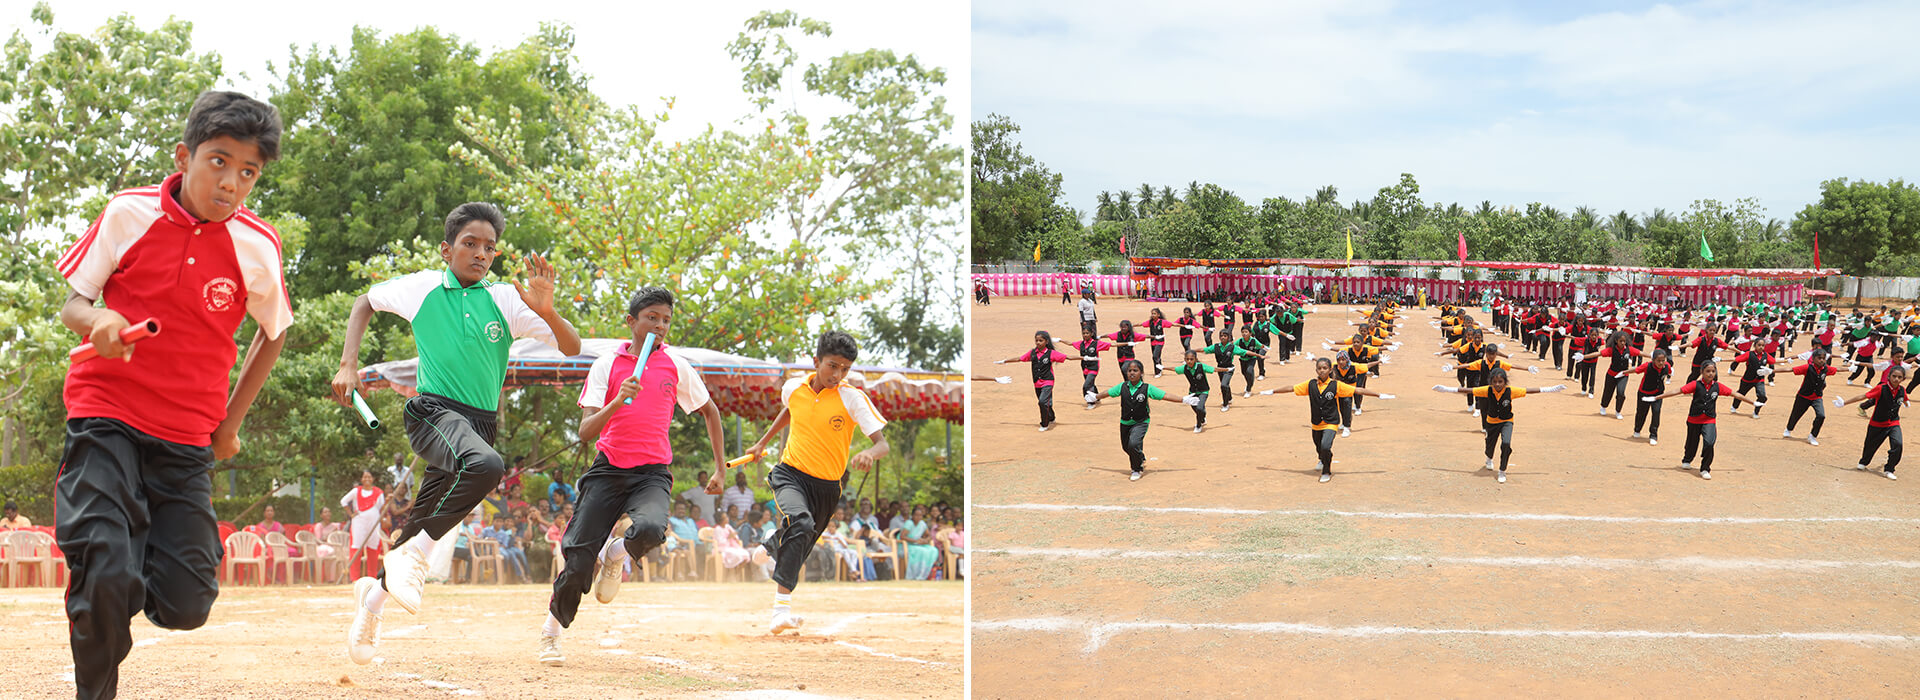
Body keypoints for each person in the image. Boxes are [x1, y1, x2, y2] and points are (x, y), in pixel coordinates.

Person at [52, 91, 291, 700]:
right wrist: (98, 321)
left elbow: (274, 334)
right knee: (106, 564)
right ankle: (99, 648)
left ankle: (119, 576)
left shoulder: (257, 246)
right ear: (184, 156)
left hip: (187, 437)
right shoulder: (128, 214)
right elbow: (73, 301)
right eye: (218, 161)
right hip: (105, 414)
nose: (231, 182)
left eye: (248, 171)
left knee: (187, 604)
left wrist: (231, 423)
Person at [334, 201, 582, 665]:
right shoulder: (423, 287)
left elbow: (572, 347)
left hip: (479, 423)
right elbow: (364, 301)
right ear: (447, 249)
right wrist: (349, 363)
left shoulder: (507, 299)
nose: (480, 253)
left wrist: (547, 312)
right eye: (470, 244)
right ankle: (418, 562)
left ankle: (370, 605)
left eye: (489, 247)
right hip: (434, 412)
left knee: (412, 537)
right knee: (488, 466)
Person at [539, 287, 729, 665]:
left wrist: (721, 468)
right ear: (632, 322)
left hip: (651, 473)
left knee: (652, 529)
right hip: (608, 469)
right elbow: (585, 431)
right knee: (576, 559)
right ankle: (550, 633)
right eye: (652, 318)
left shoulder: (676, 365)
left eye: (666, 320)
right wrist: (616, 400)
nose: (660, 326)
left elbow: (710, 412)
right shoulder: (607, 365)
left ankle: (616, 553)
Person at [741, 331, 890, 635]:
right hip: (790, 472)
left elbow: (882, 444)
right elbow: (790, 411)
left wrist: (869, 454)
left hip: (827, 487)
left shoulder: (852, 397)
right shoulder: (794, 387)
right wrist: (760, 444)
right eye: (832, 366)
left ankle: (772, 541)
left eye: (845, 369)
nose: (838, 374)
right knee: (801, 522)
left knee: (803, 540)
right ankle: (780, 611)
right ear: (816, 362)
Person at [1258, 356, 1392, 483]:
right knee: (1319, 448)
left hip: (1331, 422)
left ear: (1330, 370)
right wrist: (1273, 391)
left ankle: (1326, 472)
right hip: (1316, 423)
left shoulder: (1336, 385)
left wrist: (1379, 395)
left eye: (1325, 368)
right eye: (1319, 368)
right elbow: (1291, 388)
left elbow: (1358, 390)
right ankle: (1323, 458)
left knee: (1325, 446)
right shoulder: (1310, 385)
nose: (1322, 370)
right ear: (1316, 370)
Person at [1433, 371, 1567, 483]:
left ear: (1505, 382)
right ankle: (1489, 458)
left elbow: (1530, 390)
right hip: (1491, 422)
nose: (1497, 384)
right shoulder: (1487, 390)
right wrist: (1446, 389)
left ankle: (1502, 470)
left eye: (1500, 382)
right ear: (1491, 382)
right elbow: (1468, 390)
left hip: (1507, 421)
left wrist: (1550, 389)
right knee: (1490, 446)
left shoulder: (1511, 391)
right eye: (1495, 382)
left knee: (1506, 443)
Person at [1090, 359, 1197, 481]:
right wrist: (1095, 397)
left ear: (1141, 373)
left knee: (1134, 443)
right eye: (1129, 371)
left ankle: (1137, 469)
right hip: (1125, 422)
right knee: (1126, 447)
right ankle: (1140, 456)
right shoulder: (1122, 386)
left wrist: (1183, 399)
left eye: (1135, 370)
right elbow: (1107, 393)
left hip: (1141, 422)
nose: (1132, 373)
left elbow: (1165, 395)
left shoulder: (1147, 388)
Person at [1643, 362, 1733, 479]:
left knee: (1709, 442)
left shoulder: (1718, 386)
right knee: (1692, 442)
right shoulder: (1695, 385)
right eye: (1708, 371)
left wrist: (1753, 403)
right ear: (1702, 372)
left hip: (1709, 420)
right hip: (1694, 419)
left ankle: (1705, 468)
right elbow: (1677, 391)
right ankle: (1687, 459)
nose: (1711, 374)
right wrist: (1656, 397)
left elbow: (1735, 394)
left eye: (1713, 371)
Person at [996, 331, 1082, 432]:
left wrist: (1084, 358)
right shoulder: (1032, 353)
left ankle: (1044, 424)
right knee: (1046, 403)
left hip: (1048, 381)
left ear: (1046, 341)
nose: (1038, 342)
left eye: (1040, 340)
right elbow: (1020, 358)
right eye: (1036, 340)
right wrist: (1005, 361)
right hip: (1037, 382)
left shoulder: (1051, 353)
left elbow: (1067, 357)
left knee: (1042, 402)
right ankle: (1051, 417)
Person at [1837, 364, 1907, 480]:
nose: (1896, 379)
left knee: (1898, 444)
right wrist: (1844, 403)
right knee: (1870, 446)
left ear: (1903, 379)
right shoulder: (1881, 388)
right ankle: (1864, 461)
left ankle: (1889, 469)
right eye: (1894, 376)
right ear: (1889, 376)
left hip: (1893, 423)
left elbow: (1904, 397)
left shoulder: (1902, 390)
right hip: (1877, 423)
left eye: (1899, 377)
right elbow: (1863, 396)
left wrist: (1906, 402)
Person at [1784, 349, 1842, 446]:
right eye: (1819, 358)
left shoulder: (1826, 369)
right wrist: (1771, 371)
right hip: (1803, 396)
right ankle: (1789, 429)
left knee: (1821, 416)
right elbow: (1790, 369)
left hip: (1817, 398)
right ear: (1813, 359)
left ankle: (1813, 436)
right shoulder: (1807, 367)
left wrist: (1850, 368)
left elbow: (1838, 369)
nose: (1822, 360)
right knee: (1796, 414)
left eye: (1823, 358)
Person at [340, 470, 386, 581]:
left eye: (369, 477)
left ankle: (372, 577)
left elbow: (381, 507)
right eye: (364, 477)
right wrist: (351, 514)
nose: (367, 479)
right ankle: (354, 578)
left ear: (373, 479)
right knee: (356, 548)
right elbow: (343, 501)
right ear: (361, 479)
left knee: (373, 549)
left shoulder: (379, 492)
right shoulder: (356, 491)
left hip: (373, 524)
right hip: (359, 523)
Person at [1629, 349, 1677, 445]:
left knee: (1656, 412)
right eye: (1658, 360)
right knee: (1641, 412)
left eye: (1663, 360)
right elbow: (1636, 370)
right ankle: (1637, 429)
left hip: (1658, 394)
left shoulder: (1666, 366)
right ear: (1653, 360)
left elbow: (1670, 371)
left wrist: (1672, 371)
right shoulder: (1647, 366)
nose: (1661, 363)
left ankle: (1653, 435)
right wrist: (1624, 372)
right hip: (1644, 393)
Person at [1169, 350, 1218, 433]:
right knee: (1195, 408)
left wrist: (1227, 369)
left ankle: (1198, 425)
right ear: (1184, 360)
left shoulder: (1201, 366)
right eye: (1187, 359)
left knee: (1199, 407)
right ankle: (1202, 418)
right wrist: (1163, 368)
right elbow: (1174, 369)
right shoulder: (1184, 368)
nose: (1189, 361)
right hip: (1193, 392)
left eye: (1191, 359)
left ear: (1195, 359)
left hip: (1203, 391)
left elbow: (1214, 369)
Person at [900, 505, 939, 579]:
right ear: (912, 515)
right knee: (922, 551)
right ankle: (916, 574)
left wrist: (926, 540)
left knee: (933, 550)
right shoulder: (909, 523)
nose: (918, 517)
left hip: (918, 544)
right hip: (907, 545)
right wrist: (915, 541)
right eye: (916, 515)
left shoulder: (922, 524)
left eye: (920, 515)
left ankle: (927, 573)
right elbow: (902, 536)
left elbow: (929, 535)